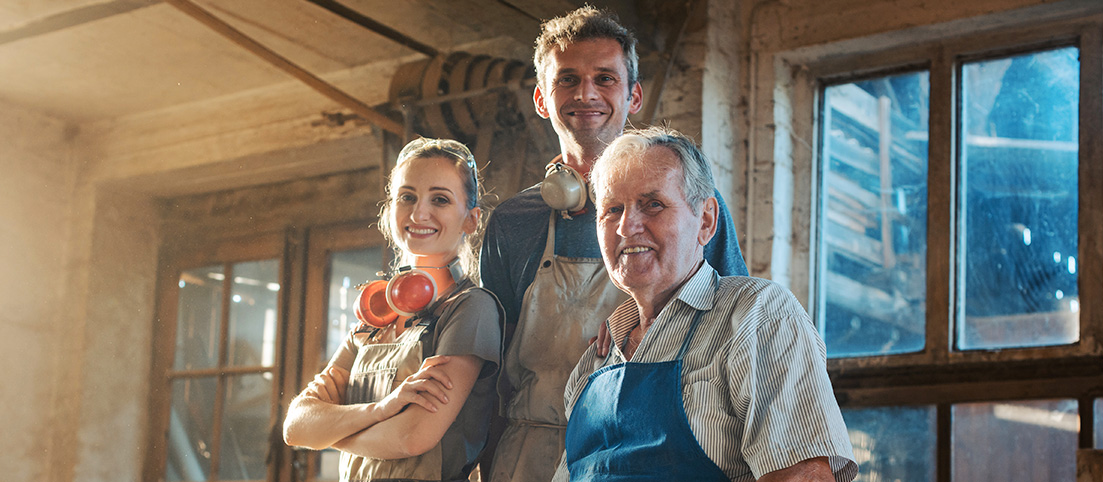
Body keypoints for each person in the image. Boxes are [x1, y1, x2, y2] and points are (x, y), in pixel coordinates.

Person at [481, 6, 749, 482]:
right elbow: (491, 373)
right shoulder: (512, 224)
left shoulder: (690, 208)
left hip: (639, 446)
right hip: (525, 453)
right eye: (568, 79)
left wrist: (639, 315)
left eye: (605, 78)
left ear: (634, 96)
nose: (586, 93)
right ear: (542, 99)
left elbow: (736, 330)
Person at [550, 126, 857, 481]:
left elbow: (803, 474)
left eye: (653, 205)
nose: (626, 227)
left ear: (706, 221)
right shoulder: (594, 363)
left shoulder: (755, 315)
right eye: (612, 209)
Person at [283, 138, 503, 482]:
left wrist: (331, 433)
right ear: (390, 210)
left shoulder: (471, 309)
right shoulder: (373, 318)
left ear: (471, 220)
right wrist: (383, 409)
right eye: (407, 197)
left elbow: (411, 437)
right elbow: (296, 426)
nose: (418, 213)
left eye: (440, 199)